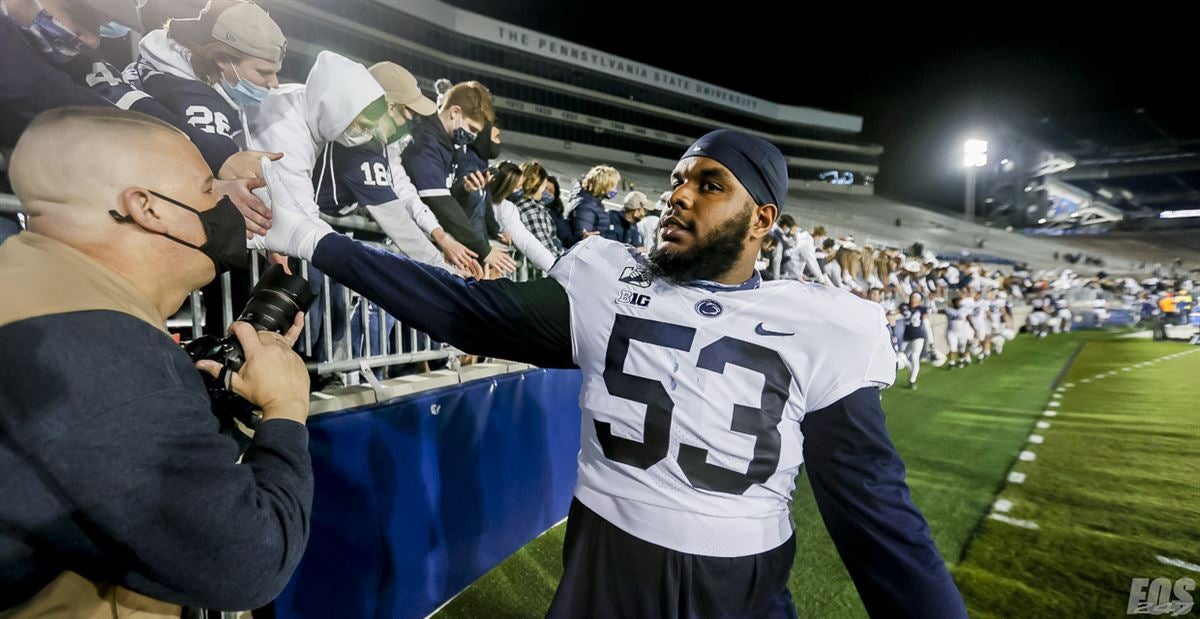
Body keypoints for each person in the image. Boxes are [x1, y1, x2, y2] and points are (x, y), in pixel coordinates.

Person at [254, 128, 966, 618]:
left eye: (710, 184)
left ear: (762, 221)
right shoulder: (606, 280)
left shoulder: (820, 323)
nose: (678, 195)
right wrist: (313, 238)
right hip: (608, 561)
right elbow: (461, 308)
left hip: (740, 579)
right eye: (679, 180)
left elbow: (876, 516)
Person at [0, 107, 312, 615]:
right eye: (209, 189)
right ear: (147, 207)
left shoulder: (40, 297)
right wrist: (286, 405)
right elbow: (248, 562)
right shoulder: (96, 349)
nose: (226, 205)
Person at [401, 80, 515, 274]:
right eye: (472, 128)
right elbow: (437, 200)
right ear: (455, 113)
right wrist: (484, 249)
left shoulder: (446, 144)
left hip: (424, 237)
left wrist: (463, 190)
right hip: (406, 240)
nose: (472, 137)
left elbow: (441, 195)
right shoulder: (426, 141)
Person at [489, 161, 557, 272]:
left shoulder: (502, 204)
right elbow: (525, 240)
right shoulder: (507, 208)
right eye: (518, 187)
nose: (520, 191)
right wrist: (554, 266)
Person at [569, 164, 620, 245]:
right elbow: (584, 237)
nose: (615, 189)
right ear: (603, 185)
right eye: (613, 186)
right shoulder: (586, 205)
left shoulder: (593, 202)